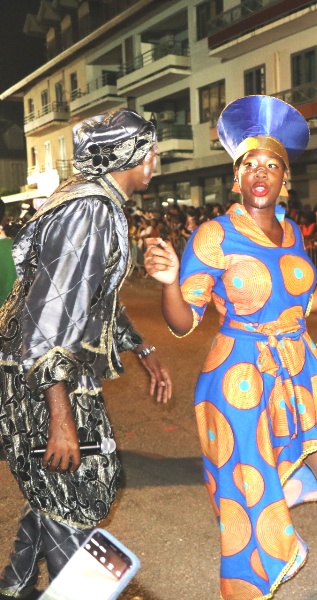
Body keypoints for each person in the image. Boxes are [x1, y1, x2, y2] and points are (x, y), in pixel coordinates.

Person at [144, 96, 317, 599]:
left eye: (272, 165)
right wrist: (171, 285)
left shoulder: (293, 232)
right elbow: (183, 322)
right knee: (251, 492)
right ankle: (250, 581)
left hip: (300, 366)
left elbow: (299, 303)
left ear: (285, 178)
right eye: (250, 165)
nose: (261, 173)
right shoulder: (213, 236)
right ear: (236, 178)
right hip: (240, 378)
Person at [0, 109, 172, 598]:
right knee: (78, 488)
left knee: (56, 484)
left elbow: (91, 299)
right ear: (129, 156)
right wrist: (61, 417)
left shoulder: (92, 200)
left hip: (41, 368)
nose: (155, 161)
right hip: (45, 375)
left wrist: (141, 346)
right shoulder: (90, 210)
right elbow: (49, 319)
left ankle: (14, 585)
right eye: (150, 151)